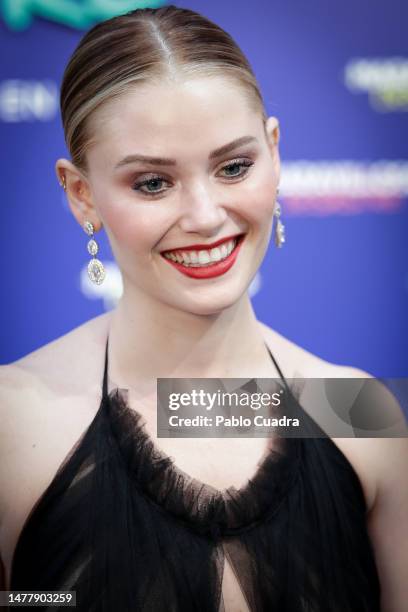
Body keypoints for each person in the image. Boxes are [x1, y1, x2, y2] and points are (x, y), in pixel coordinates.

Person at [0, 5, 407, 611]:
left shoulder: (358, 411)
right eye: (152, 183)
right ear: (81, 194)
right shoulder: (13, 422)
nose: (204, 216)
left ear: (275, 151)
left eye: (234, 167)